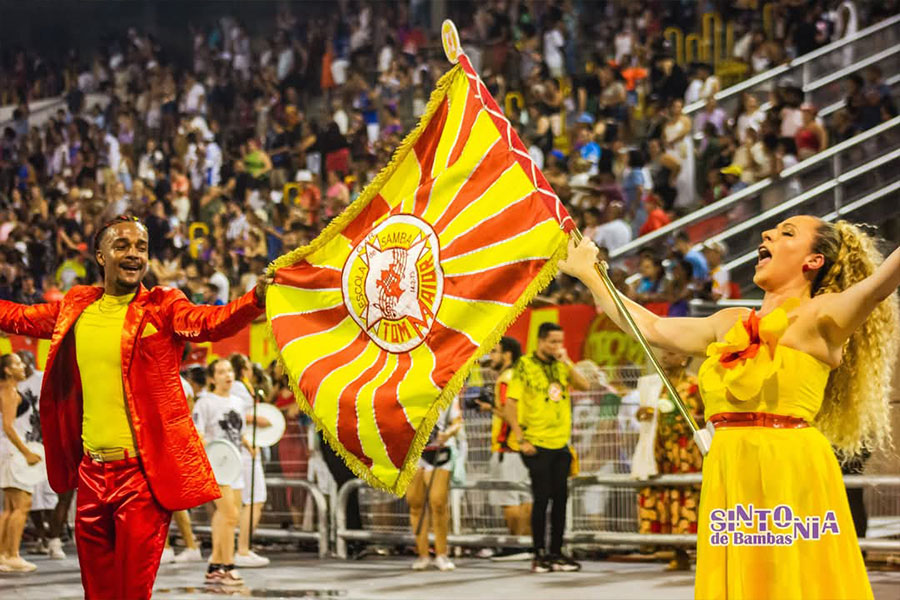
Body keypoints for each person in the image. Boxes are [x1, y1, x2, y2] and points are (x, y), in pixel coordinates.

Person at [559, 215, 900, 599]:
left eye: (788, 233)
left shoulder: (825, 314)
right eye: (771, 229)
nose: (767, 233)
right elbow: (650, 328)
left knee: (791, 578)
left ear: (813, 261)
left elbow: (880, 283)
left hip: (790, 466)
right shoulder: (729, 321)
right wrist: (590, 275)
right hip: (729, 467)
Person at [0, 216, 270, 598]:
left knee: (131, 593)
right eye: (122, 245)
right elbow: (17, 317)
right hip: (92, 475)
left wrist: (254, 299)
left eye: (141, 247)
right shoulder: (77, 306)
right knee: (97, 593)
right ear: (100, 255)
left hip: (140, 479)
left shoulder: (163, 305)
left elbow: (211, 323)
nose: (133, 254)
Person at [504, 322, 590, 573]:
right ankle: (539, 553)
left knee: (561, 499)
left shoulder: (561, 366)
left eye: (559, 342)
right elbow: (511, 404)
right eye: (552, 342)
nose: (556, 346)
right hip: (536, 443)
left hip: (560, 443)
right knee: (542, 499)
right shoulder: (524, 365)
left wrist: (567, 361)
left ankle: (556, 552)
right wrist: (521, 439)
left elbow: (584, 386)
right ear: (541, 341)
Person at [635, 349, 705, 571]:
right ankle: (678, 553)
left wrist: (692, 419)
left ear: (684, 357)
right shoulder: (656, 385)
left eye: (670, 354)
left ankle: (700, 552)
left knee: (689, 499)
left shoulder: (695, 384)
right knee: (665, 499)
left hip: (687, 453)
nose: (664, 358)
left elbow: (709, 415)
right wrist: (642, 414)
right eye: (663, 355)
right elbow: (645, 414)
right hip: (661, 451)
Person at [192, 359, 254, 586]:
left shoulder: (238, 402)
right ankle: (228, 566)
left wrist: (249, 445)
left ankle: (214, 566)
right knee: (230, 515)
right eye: (221, 371)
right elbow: (196, 433)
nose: (227, 375)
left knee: (226, 517)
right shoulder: (205, 403)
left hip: (235, 465)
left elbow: (240, 432)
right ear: (212, 378)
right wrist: (211, 450)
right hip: (215, 467)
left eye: (229, 370)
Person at [477, 337, 532, 560]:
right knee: (526, 497)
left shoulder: (505, 380)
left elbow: (509, 413)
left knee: (509, 498)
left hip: (507, 447)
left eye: (494, 352)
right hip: (526, 446)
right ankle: (527, 544)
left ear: (507, 355)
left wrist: (489, 407)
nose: (491, 357)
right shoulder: (525, 375)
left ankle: (515, 546)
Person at [405, 395, 463, 572]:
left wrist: (448, 433)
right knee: (415, 503)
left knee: (438, 502)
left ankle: (441, 553)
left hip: (439, 450)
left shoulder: (447, 394)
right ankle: (423, 554)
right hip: (412, 452)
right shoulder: (403, 394)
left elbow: (458, 421)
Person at [229, 353, 271, 568]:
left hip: (245, 447)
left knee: (251, 499)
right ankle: (242, 549)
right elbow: (235, 414)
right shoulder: (237, 388)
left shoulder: (243, 386)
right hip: (245, 449)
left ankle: (242, 547)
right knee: (254, 498)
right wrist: (257, 419)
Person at [0, 353, 40, 572]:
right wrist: (26, 453)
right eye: (16, 363)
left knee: (10, 507)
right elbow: (8, 426)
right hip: (13, 452)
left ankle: (4, 555)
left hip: (9, 450)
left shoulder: (9, 390)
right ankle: (12, 554)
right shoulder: (8, 390)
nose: (23, 365)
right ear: (7, 370)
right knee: (22, 505)